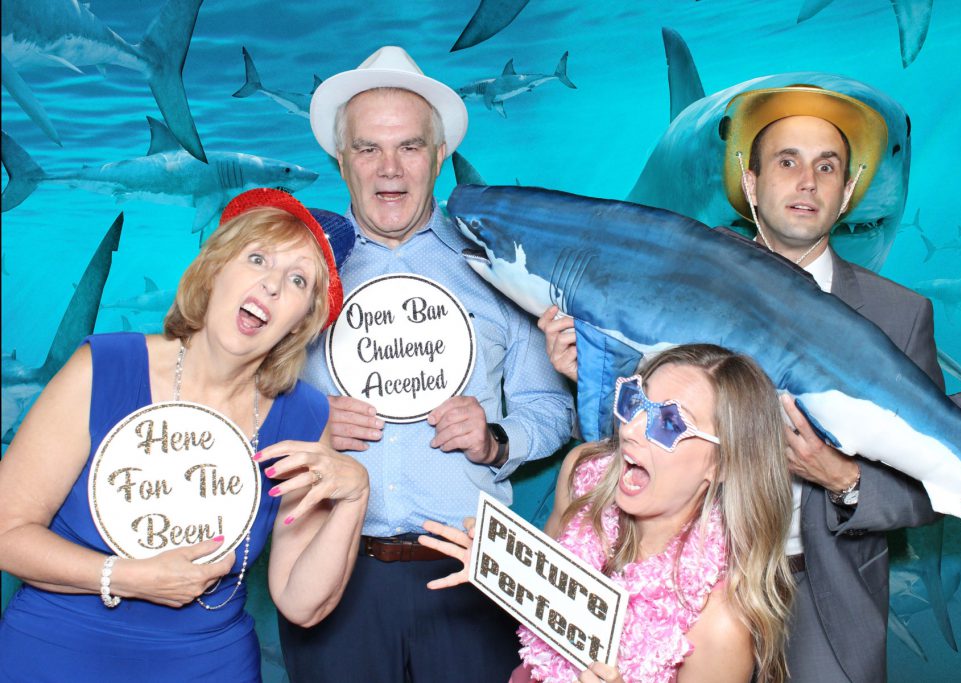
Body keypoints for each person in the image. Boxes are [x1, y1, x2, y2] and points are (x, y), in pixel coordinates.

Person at [539, 86, 944, 683]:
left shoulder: (900, 315)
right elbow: (629, 448)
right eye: (787, 161)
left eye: (826, 167)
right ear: (750, 184)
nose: (806, 182)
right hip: (680, 593)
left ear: (848, 192)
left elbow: (938, 486)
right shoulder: (676, 292)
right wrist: (590, 376)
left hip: (820, 592)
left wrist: (843, 478)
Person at [278, 46, 575, 681]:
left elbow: (550, 408)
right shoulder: (294, 270)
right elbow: (236, 399)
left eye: (410, 147)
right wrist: (308, 423)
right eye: (368, 149)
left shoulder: (497, 266)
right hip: (330, 571)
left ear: (439, 156)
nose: (390, 169)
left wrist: (496, 440)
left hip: (473, 572)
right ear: (341, 158)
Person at [0, 188, 369, 682]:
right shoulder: (103, 369)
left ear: (305, 319)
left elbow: (302, 604)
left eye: (298, 280)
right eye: (257, 258)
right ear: (216, 267)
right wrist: (126, 577)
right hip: (54, 654)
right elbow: (6, 534)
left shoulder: (303, 416)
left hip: (209, 666)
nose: (273, 285)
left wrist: (354, 498)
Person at [421, 344, 795, 683]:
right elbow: (550, 601)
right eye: (635, 403)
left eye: (668, 423)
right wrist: (506, 569)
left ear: (725, 461)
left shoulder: (720, 624)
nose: (630, 430)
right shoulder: (584, 476)